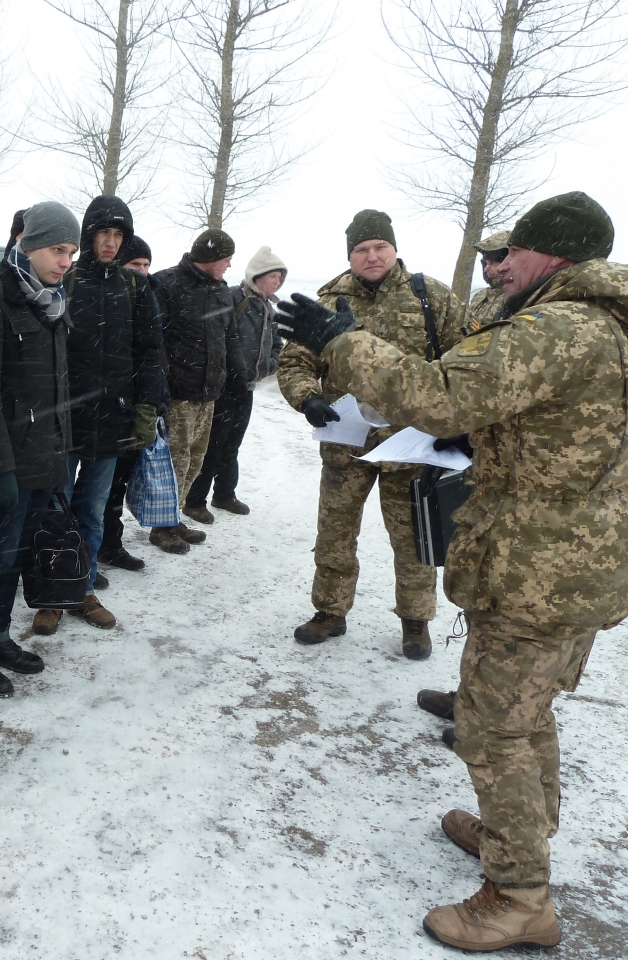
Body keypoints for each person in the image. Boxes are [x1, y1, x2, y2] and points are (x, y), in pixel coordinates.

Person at [276, 191, 626, 953]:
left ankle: (518, 896)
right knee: (526, 717)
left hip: (538, 569)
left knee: (494, 728)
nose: (501, 268)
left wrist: (343, 340)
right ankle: (514, 840)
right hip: (580, 563)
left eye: (514, 254)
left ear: (551, 257)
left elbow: (437, 395)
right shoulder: (611, 325)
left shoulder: (557, 327)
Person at [277, 210, 462, 659]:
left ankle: (416, 622)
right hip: (346, 442)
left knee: (415, 537)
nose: (371, 256)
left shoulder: (430, 296)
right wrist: (308, 398)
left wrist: (455, 424)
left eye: (380, 246)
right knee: (335, 533)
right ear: (350, 256)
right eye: (361, 249)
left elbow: (463, 361)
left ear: (395, 249)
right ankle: (330, 611)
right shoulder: (329, 297)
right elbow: (295, 360)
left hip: (413, 443)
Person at [0, 201, 80, 698]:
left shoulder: (54, 300)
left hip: (46, 456)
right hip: (5, 461)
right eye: (56, 249)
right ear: (27, 246)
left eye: (70, 251)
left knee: (18, 554)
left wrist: (61, 454)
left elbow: (55, 390)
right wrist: (0, 469)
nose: (65, 260)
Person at [32, 196, 161, 635]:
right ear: (88, 235)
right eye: (103, 233)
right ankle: (52, 594)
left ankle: (82, 590)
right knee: (56, 510)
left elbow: (150, 351)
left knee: (93, 510)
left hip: (114, 419)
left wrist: (148, 406)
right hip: (65, 420)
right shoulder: (67, 281)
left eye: (118, 235)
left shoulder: (134, 286)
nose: (110, 242)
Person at [151, 228, 246, 553]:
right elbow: (156, 340)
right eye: (226, 259)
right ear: (209, 258)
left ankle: (174, 516)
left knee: (195, 461)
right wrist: (163, 381)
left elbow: (229, 337)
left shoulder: (220, 290)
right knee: (174, 463)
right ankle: (161, 527)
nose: (229, 266)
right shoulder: (168, 283)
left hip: (210, 394)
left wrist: (239, 375)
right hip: (179, 394)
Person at [186, 245, 287, 519]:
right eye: (273, 276)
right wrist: (231, 370)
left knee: (233, 444)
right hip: (225, 387)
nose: (277, 281)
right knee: (212, 444)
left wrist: (269, 365)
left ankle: (224, 495)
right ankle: (194, 501)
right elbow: (216, 336)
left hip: (248, 388)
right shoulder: (233, 298)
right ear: (257, 276)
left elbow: (277, 345)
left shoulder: (269, 309)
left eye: (280, 277)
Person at [98, 234, 164, 575]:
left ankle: (110, 544)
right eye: (134, 264)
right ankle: (82, 552)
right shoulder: (103, 295)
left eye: (146, 265)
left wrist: (152, 404)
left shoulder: (147, 297)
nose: (141, 271)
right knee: (94, 490)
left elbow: (153, 355)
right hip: (99, 407)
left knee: (118, 484)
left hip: (132, 407)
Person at [465, 230, 510, 332]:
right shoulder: (479, 296)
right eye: (485, 263)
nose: (486, 269)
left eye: (492, 263)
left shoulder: (516, 296)